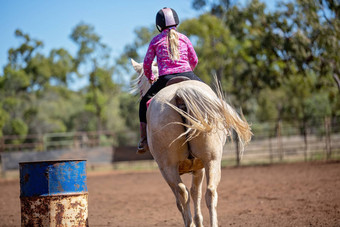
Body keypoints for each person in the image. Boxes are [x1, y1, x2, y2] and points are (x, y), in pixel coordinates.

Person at [137, 7, 202, 154]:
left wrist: (151, 77)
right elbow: (195, 60)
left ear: (158, 25)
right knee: (210, 94)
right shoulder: (184, 38)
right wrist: (189, 71)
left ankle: (143, 140)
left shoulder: (155, 40)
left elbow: (147, 64)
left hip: (166, 78)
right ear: (177, 22)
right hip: (188, 74)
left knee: (143, 103)